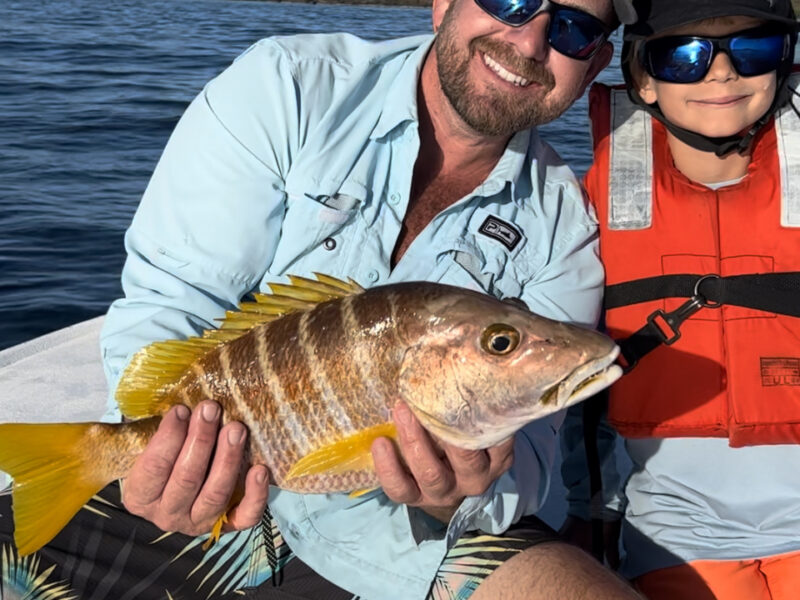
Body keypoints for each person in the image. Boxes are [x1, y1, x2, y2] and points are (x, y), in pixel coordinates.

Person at [0, 0, 644, 598]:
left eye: (573, 29)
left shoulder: (564, 227)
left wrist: (460, 493)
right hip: (201, 495)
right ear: (445, 1)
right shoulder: (288, 87)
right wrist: (168, 460)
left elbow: (527, 463)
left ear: (595, 63)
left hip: (404, 543)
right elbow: (174, 303)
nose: (529, 39)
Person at [560, 0, 800, 598]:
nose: (721, 72)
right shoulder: (578, 207)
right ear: (643, 76)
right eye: (683, 54)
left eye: (754, 49)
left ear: (785, 63)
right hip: (679, 535)